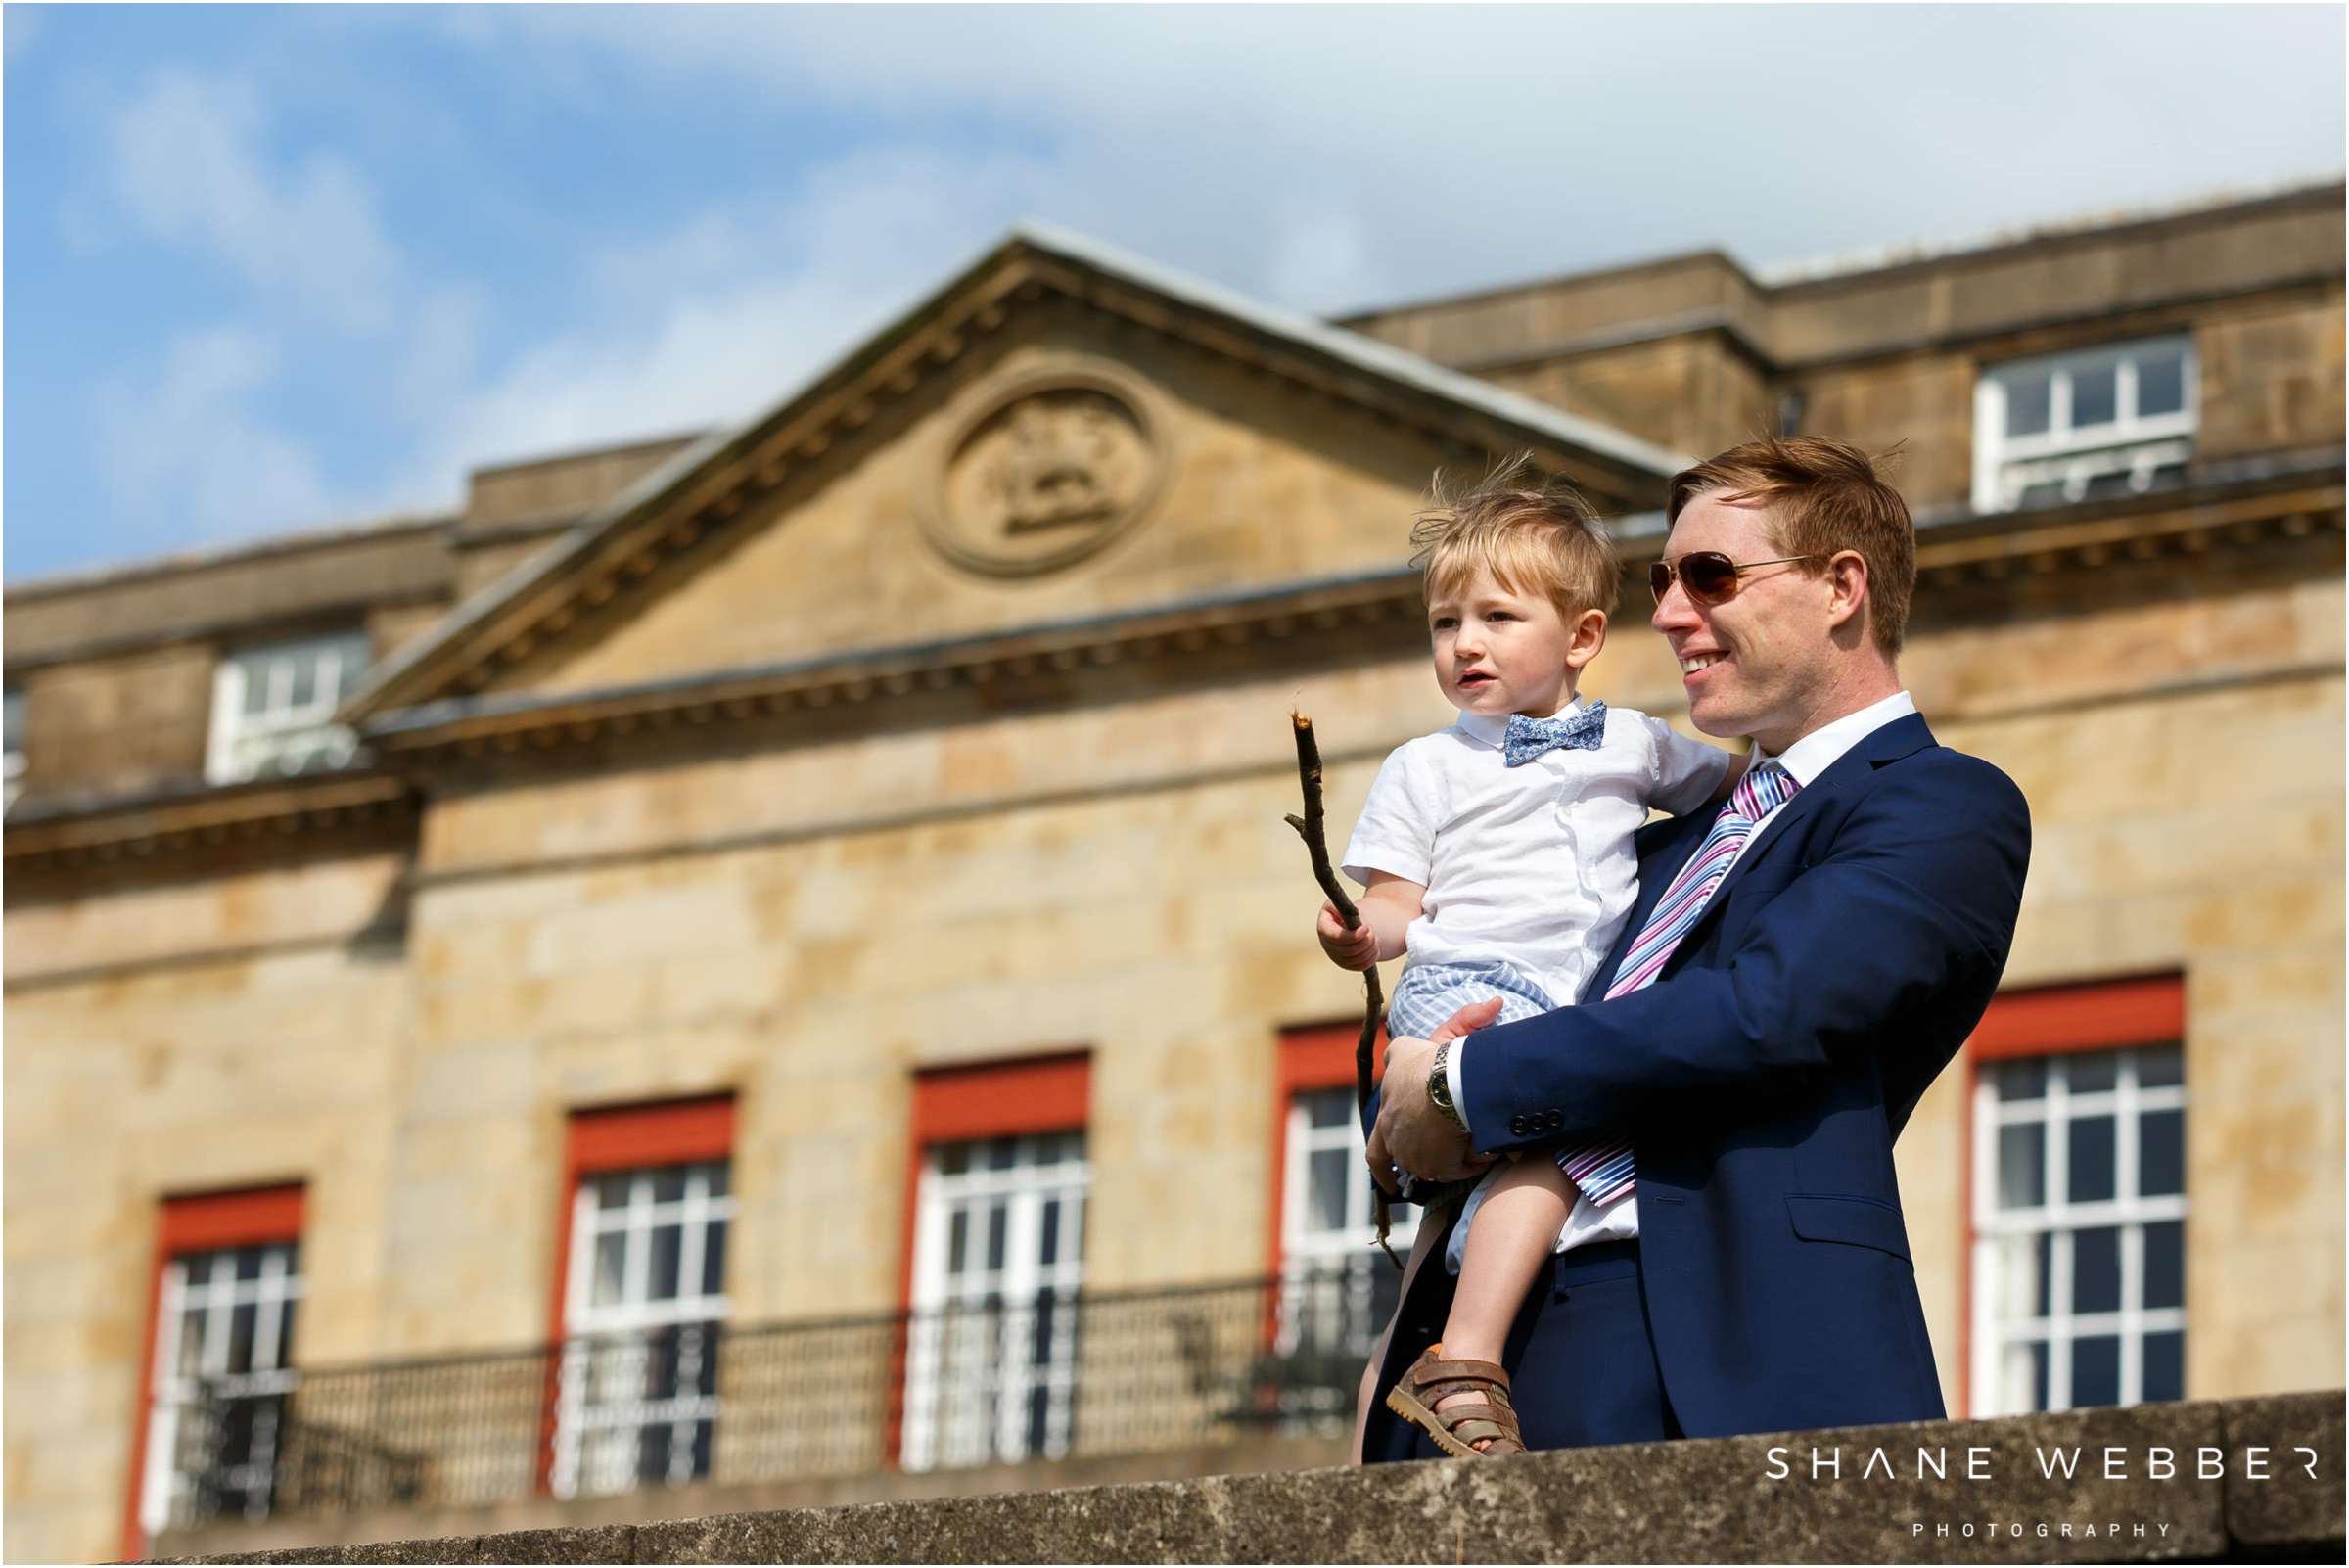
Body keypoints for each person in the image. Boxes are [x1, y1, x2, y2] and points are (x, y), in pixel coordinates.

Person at [1359, 436, 2032, 1461]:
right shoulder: (1643, 833)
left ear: (1840, 588)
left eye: (1711, 576)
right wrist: (1406, 1096)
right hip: (1475, 1355)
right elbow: (1470, 984)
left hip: (1705, 1346)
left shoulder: (1937, 803)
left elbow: (1764, 1010)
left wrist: (1461, 1079)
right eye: (1664, 580)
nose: (1671, 613)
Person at [1314, 462, 1740, 1456]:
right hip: (1470, 988)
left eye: (1497, 618)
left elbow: (1737, 786)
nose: (1465, 642)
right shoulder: (1426, 766)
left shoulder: (1631, 744)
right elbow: (1394, 909)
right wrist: (1354, 936)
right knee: (1555, 1140)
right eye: (1444, 622)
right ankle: (1465, 1361)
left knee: (1446, 1228)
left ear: (1582, 637)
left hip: (1572, 994)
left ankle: (1389, 1388)